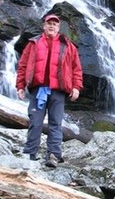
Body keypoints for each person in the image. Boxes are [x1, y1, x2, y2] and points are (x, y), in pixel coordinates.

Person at [16, 13, 83, 168]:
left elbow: (76, 68)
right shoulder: (33, 44)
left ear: (58, 28)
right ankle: (29, 153)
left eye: (55, 24)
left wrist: (76, 87)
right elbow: (23, 66)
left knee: (55, 123)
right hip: (38, 90)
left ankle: (53, 155)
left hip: (58, 91)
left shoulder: (68, 46)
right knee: (35, 122)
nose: (51, 26)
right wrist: (20, 86)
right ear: (44, 26)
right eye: (49, 23)